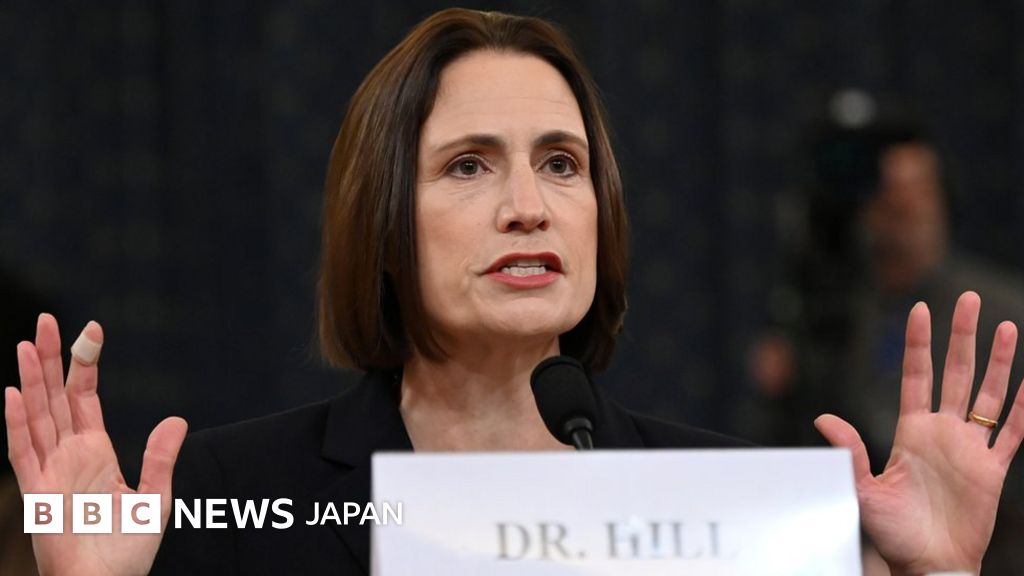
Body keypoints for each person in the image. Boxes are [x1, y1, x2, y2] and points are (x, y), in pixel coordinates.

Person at [5, 8, 1024, 576]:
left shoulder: (729, 510)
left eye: (561, 164)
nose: (529, 207)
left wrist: (939, 575)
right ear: (383, 223)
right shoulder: (229, 493)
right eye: (469, 165)